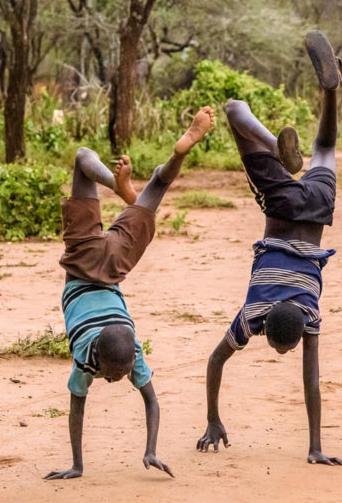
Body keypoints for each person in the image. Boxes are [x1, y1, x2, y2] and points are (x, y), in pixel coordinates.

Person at [196, 31, 342, 467]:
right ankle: (281, 156)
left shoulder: (310, 313)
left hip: (316, 212)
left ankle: (330, 94)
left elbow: (311, 379)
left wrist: (212, 420)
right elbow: (215, 361)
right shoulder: (252, 315)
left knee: (326, 148)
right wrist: (213, 417)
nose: (286, 353)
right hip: (281, 207)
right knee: (232, 110)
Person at [44, 106, 215, 480]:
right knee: (82, 160)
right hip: (86, 260)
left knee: (155, 190)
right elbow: (149, 402)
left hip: (110, 265)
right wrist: (148, 449)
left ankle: (163, 162)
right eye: (114, 376)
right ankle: (127, 183)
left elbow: (81, 407)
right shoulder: (97, 356)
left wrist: (80, 465)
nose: (110, 380)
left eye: (113, 377)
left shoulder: (116, 351)